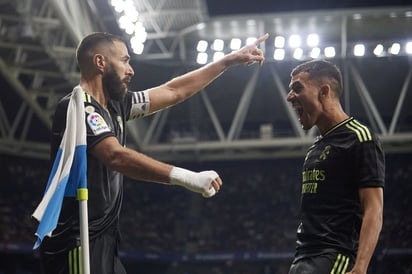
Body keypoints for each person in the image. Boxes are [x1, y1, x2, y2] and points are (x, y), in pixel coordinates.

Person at [38, 31, 269, 274]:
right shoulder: (77, 105)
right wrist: (188, 177)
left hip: (103, 238)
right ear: (100, 62)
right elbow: (115, 156)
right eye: (125, 60)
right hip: (77, 242)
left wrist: (227, 61)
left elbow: (174, 91)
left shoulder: (117, 104)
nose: (131, 70)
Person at [286, 60, 384, 274]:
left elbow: (374, 209)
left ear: (324, 92)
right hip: (302, 258)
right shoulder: (315, 148)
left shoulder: (359, 137)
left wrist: (360, 267)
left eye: (297, 88)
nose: (289, 96)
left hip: (334, 256)